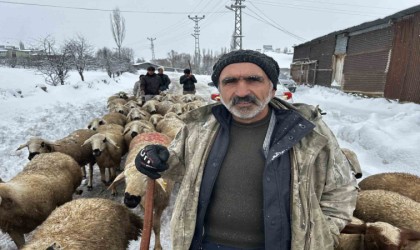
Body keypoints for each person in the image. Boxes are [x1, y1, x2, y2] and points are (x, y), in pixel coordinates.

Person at [135, 50, 358, 250]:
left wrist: (323, 233)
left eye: (254, 80)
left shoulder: (307, 133)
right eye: (230, 81)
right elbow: (176, 166)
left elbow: (341, 190)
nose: (242, 91)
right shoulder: (199, 128)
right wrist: (157, 159)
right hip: (206, 245)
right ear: (219, 90)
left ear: (272, 88)